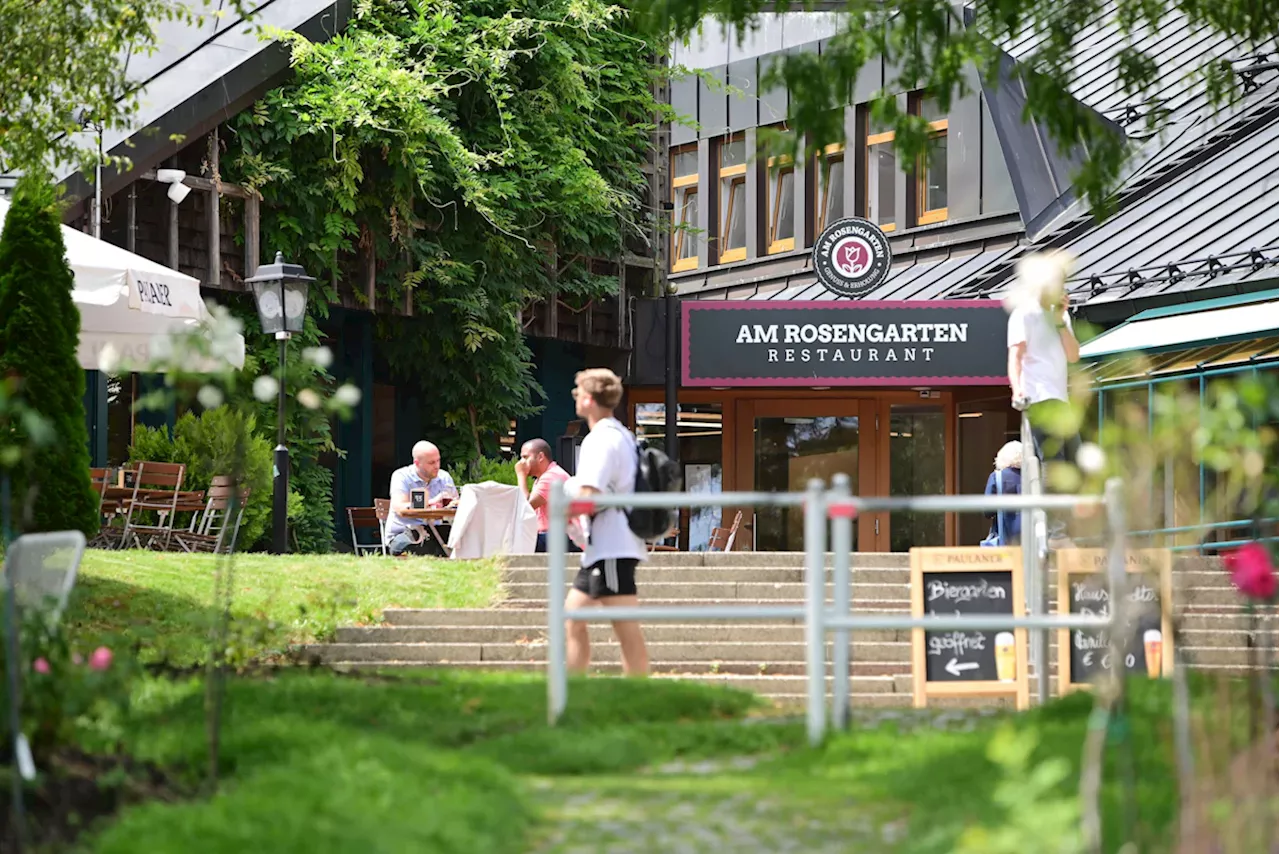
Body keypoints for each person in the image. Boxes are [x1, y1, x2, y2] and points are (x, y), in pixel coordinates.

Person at [562, 368, 649, 676]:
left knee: (625, 628)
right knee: (572, 618)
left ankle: (637, 692)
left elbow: (589, 496)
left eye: (577, 393)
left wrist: (561, 511)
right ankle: (574, 686)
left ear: (587, 399)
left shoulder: (600, 440)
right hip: (609, 546)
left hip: (612, 546)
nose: (576, 398)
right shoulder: (622, 435)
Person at [1007, 251, 1081, 544]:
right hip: (1038, 398)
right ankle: (1054, 533)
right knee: (1053, 463)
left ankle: (1058, 530)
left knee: (1073, 462)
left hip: (1060, 399)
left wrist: (1062, 320)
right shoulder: (1024, 313)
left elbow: (1074, 356)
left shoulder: (1060, 317)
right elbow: (1016, 356)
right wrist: (1018, 389)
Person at [385, 441, 458, 557]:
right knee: (425, 547)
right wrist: (432, 503)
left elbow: (455, 506)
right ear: (417, 463)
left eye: (438, 460)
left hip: (437, 531)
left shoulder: (444, 477)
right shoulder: (402, 476)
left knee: (464, 541)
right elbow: (400, 507)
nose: (437, 466)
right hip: (405, 532)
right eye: (431, 462)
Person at [514, 438, 576, 554]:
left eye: (525, 457)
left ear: (540, 457)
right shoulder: (544, 477)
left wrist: (521, 475)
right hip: (550, 536)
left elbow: (526, 506)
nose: (521, 463)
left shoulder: (551, 476)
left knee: (518, 541)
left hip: (560, 537)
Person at [982, 440, 1023, 546]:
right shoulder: (1031, 479)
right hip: (1028, 538)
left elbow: (988, 511)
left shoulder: (997, 477)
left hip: (1005, 538)